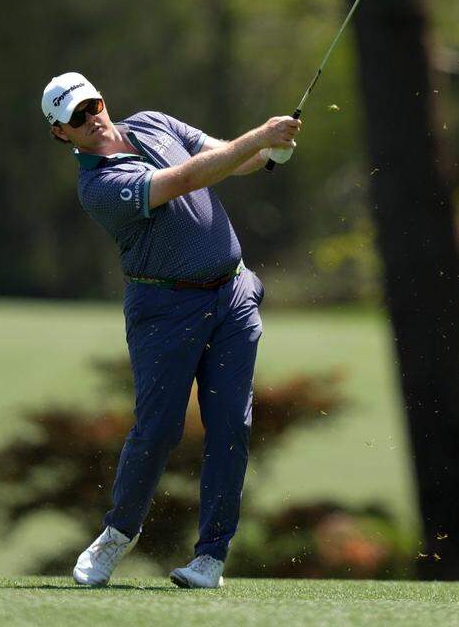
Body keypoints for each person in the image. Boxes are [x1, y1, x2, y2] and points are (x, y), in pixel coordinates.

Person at [40, 71, 300, 588]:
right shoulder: (98, 186)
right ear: (60, 133)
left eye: (92, 104)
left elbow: (227, 155)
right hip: (164, 308)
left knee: (231, 425)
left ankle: (211, 558)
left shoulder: (154, 123)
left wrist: (273, 152)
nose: (90, 118)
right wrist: (261, 137)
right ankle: (118, 535)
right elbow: (186, 179)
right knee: (158, 429)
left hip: (232, 295)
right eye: (74, 117)